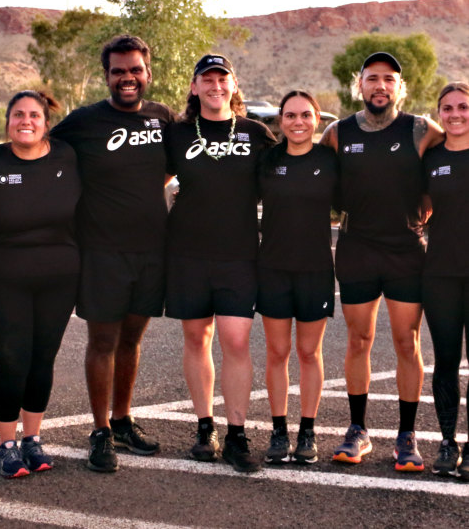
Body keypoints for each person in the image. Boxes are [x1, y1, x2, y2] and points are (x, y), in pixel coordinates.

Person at [50, 35, 175, 472]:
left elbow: (175, 165)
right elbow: (43, 152)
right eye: (118, 71)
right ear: (107, 76)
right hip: (101, 251)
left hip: (151, 250)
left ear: (148, 73)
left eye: (135, 70)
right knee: (103, 340)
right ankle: (100, 431)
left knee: (132, 339)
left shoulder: (163, 118)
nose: (127, 78)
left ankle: (123, 421)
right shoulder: (83, 122)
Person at [320, 52, 443, 471]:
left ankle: (407, 437)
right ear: (360, 85)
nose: (380, 86)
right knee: (359, 341)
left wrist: (426, 206)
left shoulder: (423, 130)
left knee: (407, 343)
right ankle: (358, 430)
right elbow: (319, 178)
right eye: (372, 78)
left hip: (406, 250)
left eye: (388, 79)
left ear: (399, 87)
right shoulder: (338, 132)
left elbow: (450, 163)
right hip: (356, 248)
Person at [164, 54, 275, 472]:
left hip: (239, 255)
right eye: (206, 80)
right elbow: (149, 183)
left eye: (222, 79)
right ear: (194, 87)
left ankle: (237, 434)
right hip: (187, 253)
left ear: (233, 85)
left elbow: (279, 187)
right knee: (197, 339)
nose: (215, 86)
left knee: (235, 341)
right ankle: (204, 426)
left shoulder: (255, 133)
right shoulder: (176, 135)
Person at [0, 91, 81, 478]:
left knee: (42, 358)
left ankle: (32, 440)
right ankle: (6, 444)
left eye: (34, 115)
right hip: (7, 279)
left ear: (46, 122)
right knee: (11, 359)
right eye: (18, 114)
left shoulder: (67, 157)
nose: (26, 121)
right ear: (8, 121)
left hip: (59, 277)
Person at [258, 90, 337, 465]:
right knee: (277, 352)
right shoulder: (268, 161)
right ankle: (279, 430)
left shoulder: (329, 160)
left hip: (316, 269)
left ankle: (307, 430)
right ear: (280, 121)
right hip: (273, 268)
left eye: (305, 115)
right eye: (290, 116)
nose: (298, 122)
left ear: (317, 119)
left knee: (309, 352)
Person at [422, 82, 469, 479]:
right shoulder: (431, 158)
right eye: (448, 108)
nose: (455, 114)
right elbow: (420, 206)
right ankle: (448, 440)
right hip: (439, 273)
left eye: (464, 107)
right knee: (446, 362)